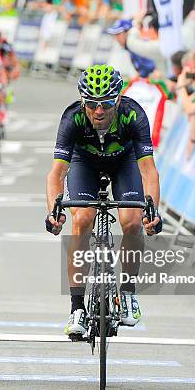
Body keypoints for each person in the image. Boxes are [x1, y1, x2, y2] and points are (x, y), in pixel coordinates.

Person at [44, 65, 162, 336]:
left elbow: (148, 171)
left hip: (125, 162)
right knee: (82, 219)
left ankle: (129, 293)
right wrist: (54, 209)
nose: (99, 111)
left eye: (107, 103)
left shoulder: (133, 115)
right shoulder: (72, 118)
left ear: (118, 99)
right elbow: (56, 173)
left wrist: (152, 210)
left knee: (131, 220)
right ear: (83, 101)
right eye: (92, 104)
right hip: (84, 162)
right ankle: (77, 308)